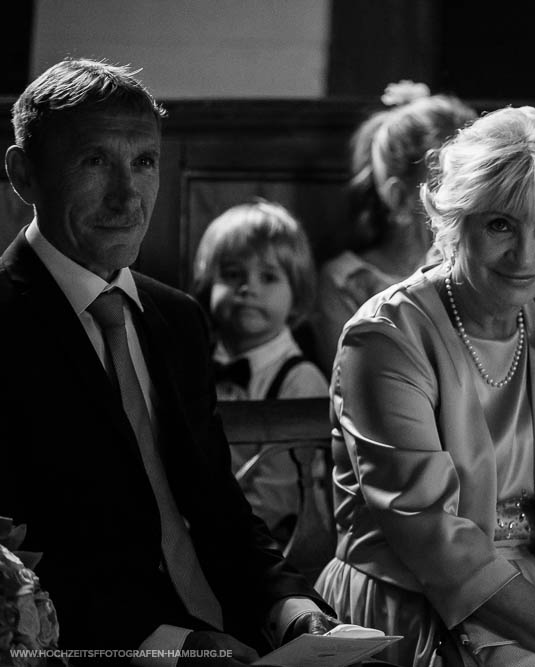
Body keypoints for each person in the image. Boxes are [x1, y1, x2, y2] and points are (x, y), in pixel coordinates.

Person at [0, 59, 358, 665]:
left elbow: (217, 505)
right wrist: (174, 646)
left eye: (144, 162)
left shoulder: (178, 318)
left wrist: (291, 608)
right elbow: (20, 561)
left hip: (236, 631)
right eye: (94, 161)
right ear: (23, 173)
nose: (126, 194)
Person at [314, 106, 535, 667]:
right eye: (501, 224)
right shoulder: (385, 335)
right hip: (417, 600)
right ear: (456, 221)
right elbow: (437, 547)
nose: (528, 257)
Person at [312, 81, 476, 373]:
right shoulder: (344, 282)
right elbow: (353, 382)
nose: (468, 201)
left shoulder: (484, 269)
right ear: (399, 197)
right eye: (450, 186)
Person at [191, 200, 328, 545]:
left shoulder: (301, 379)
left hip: (274, 545)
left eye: (268, 277)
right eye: (233, 274)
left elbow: (279, 496)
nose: (248, 288)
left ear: (296, 295)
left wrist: (209, 538)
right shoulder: (190, 363)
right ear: (209, 286)